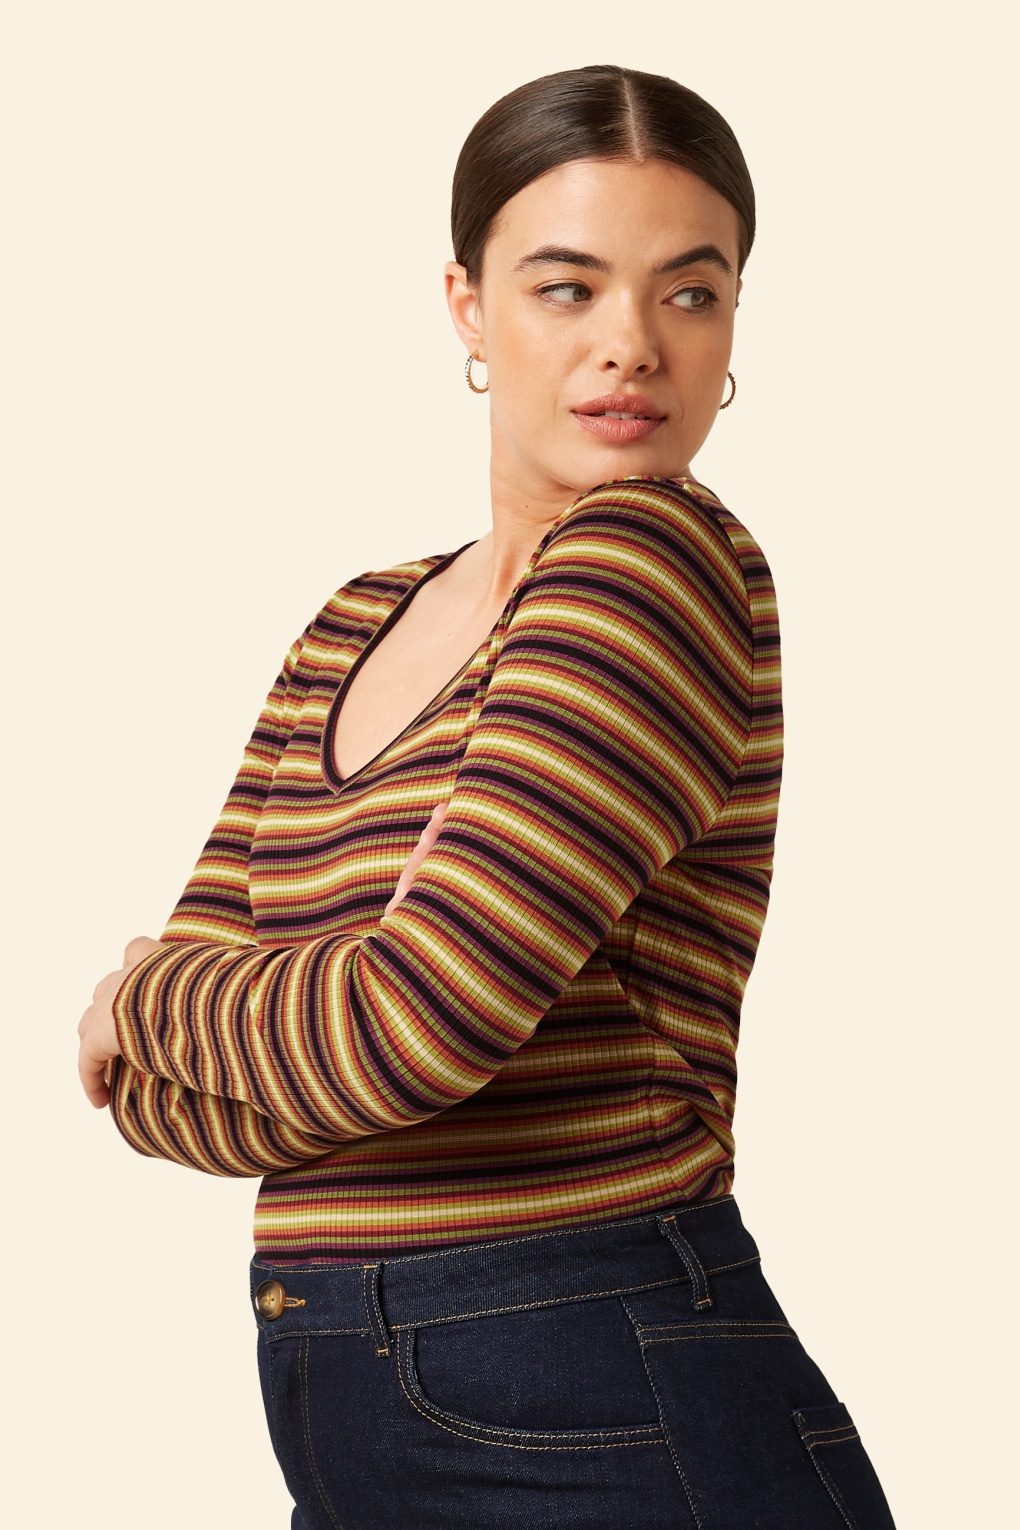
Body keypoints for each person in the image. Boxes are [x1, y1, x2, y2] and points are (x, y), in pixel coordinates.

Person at [78, 63, 898, 1530]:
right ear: (468, 305)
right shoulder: (354, 622)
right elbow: (170, 1110)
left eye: (691, 292)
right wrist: (231, 1040)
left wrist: (139, 998)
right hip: (357, 1398)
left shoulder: (649, 562)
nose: (631, 343)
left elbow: (413, 1024)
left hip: (594, 1379)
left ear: (734, 322)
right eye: (566, 287)